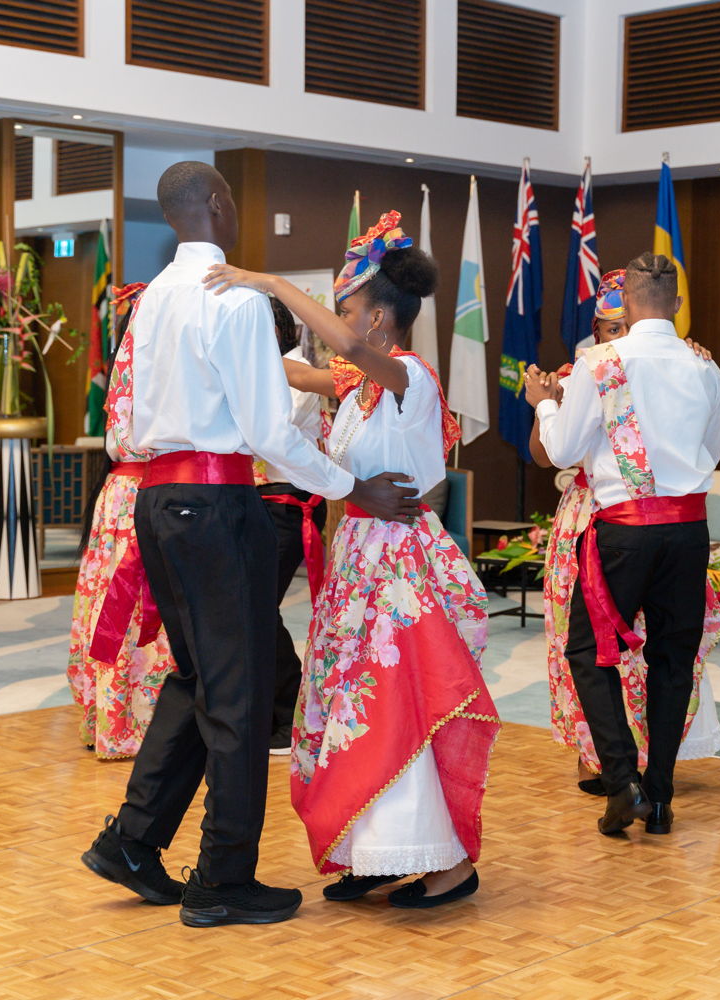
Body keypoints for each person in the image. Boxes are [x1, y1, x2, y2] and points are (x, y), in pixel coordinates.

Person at [78, 162, 419, 929]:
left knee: (196, 678)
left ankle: (133, 841)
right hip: (215, 502)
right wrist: (349, 488)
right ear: (220, 206)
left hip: (158, 501)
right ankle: (222, 877)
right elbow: (267, 431)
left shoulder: (153, 298)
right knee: (237, 693)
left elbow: (135, 415)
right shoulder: (228, 298)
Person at [206, 210, 500, 910]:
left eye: (347, 310)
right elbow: (294, 373)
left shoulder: (408, 376)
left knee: (400, 703)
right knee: (352, 706)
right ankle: (376, 853)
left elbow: (330, 348)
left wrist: (269, 280)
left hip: (401, 566)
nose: (339, 323)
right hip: (362, 559)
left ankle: (447, 863)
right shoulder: (358, 387)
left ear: (375, 322)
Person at [526, 252, 720, 838]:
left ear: (629, 304)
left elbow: (560, 452)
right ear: (677, 305)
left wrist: (542, 401)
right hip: (689, 529)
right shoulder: (703, 366)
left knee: (588, 652)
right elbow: (711, 450)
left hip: (625, 529)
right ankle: (659, 797)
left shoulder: (602, 362)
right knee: (672, 659)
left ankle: (621, 785)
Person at [65, 284, 179, 760]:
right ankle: (136, 722)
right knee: (133, 606)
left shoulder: (128, 369)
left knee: (117, 604)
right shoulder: (164, 372)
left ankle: (112, 719)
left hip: (121, 493)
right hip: (144, 492)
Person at [253, 296, 328, 756]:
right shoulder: (258, 369)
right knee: (249, 606)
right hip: (257, 500)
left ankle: (288, 714)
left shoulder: (296, 370)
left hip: (287, 503)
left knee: (258, 606)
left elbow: (271, 436)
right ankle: (271, 708)